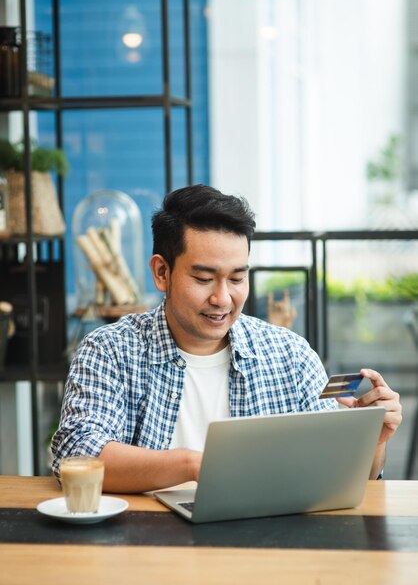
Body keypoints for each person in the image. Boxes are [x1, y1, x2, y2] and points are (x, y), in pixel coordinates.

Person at [51, 185, 402, 491]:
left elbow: (341, 475)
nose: (222, 299)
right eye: (204, 279)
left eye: (237, 279)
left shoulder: (289, 355)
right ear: (162, 272)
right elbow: (76, 453)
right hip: (146, 548)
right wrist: (194, 465)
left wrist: (372, 440)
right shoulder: (111, 350)